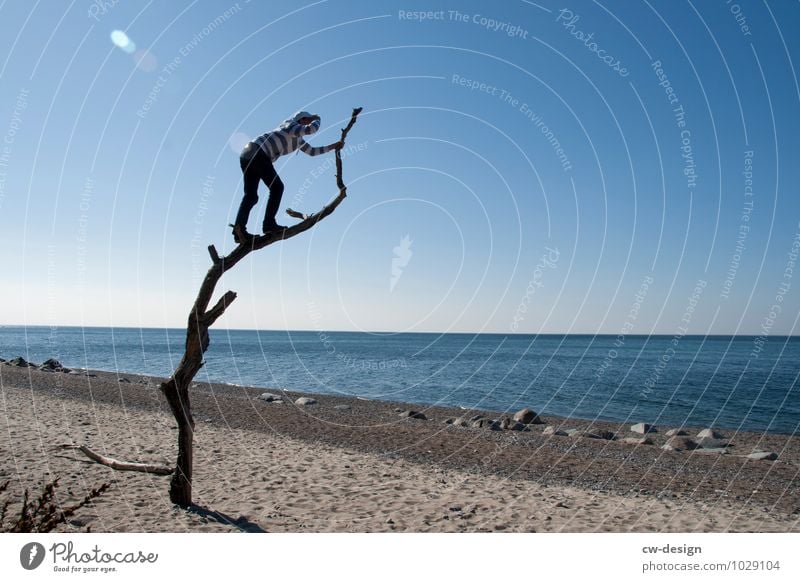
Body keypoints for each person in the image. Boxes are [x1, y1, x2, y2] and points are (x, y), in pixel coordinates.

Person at [233, 111, 343, 243]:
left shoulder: (297, 140)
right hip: (258, 152)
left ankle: (239, 232)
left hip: (248, 154)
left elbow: (312, 152)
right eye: (306, 121)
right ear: (300, 120)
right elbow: (311, 129)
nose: (307, 124)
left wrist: (333, 147)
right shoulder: (291, 125)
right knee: (277, 187)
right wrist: (317, 118)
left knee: (251, 196)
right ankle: (269, 224)